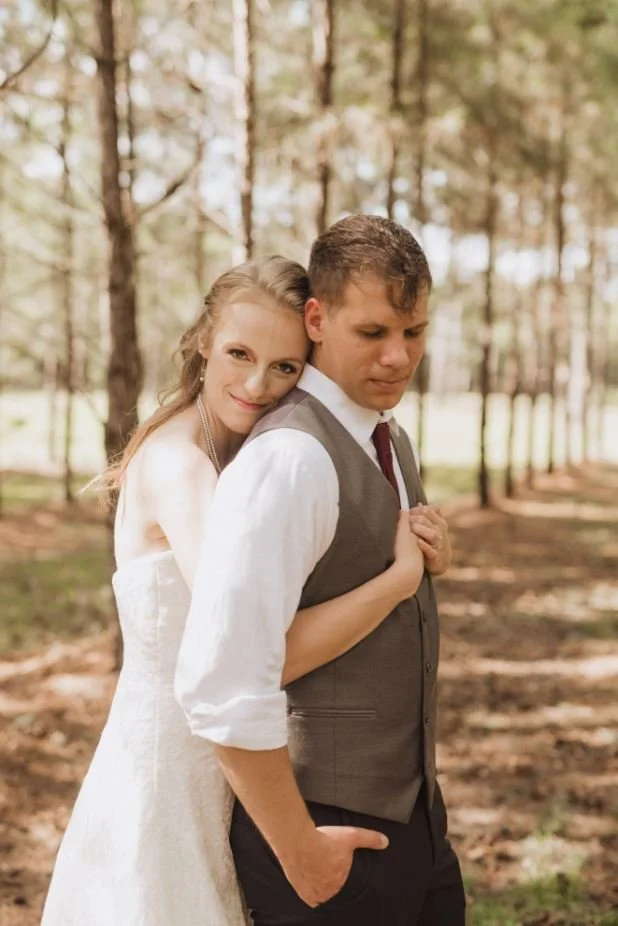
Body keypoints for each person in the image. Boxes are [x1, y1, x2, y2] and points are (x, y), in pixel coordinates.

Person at [41, 256, 427, 926]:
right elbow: (262, 653)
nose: (256, 384)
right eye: (238, 354)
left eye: (283, 367)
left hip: (229, 769)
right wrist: (396, 583)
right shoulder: (183, 466)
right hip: (170, 776)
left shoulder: (242, 454)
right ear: (201, 342)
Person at [176, 216, 464, 926]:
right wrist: (299, 852)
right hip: (321, 832)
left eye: (414, 331)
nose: (399, 356)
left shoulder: (387, 434)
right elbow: (221, 680)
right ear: (317, 317)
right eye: (373, 333)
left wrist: (427, 568)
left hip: (415, 823)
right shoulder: (289, 460)